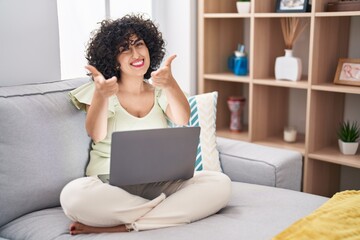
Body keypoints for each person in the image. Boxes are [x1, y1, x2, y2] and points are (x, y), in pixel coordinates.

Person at [60, 14, 231, 235]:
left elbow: (182, 118)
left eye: (139, 44)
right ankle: (166, 213)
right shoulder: (103, 90)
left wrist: (170, 85)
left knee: (220, 184)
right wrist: (101, 97)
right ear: (114, 59)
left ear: (150, 47)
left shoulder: (160, 90)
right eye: (125, 48)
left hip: (160, 181)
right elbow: (96, 132)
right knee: (73, 195)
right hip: (110, 185)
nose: (136, 53)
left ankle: (126, 225)